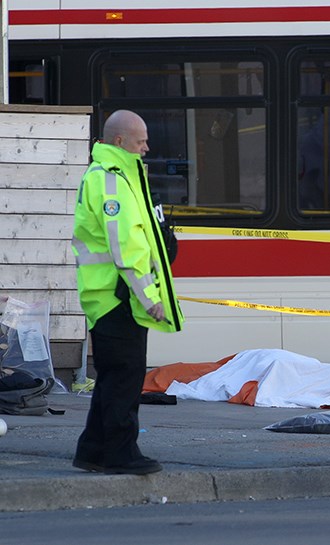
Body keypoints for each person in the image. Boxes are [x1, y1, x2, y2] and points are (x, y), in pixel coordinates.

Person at [72, 110, 185, 475]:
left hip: (109, 294)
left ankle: (92, 450)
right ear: (120, 141)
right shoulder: (111, 180)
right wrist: (149, 298)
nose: (146, 148)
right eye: (141, 141)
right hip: (117, 296)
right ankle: (121, 453)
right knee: (125, 376)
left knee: (112, 377)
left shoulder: (117, 175)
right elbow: (125, 248)